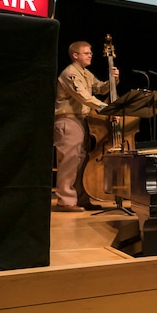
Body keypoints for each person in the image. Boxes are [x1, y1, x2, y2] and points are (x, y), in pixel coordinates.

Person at [52, 41, 120, 212]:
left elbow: (100, 88)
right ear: (75, 55)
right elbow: (83, 97)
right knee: (69, 161)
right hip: (68, 120)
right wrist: (108, 108)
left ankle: (81, 199)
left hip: (81, 120)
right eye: (86, 53)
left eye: (90, 52)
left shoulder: (85, 73)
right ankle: (65, 202)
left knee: (80, 161)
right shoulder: (70, 74)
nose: (90, 55)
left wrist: (113, 79)